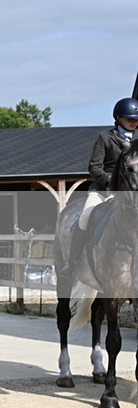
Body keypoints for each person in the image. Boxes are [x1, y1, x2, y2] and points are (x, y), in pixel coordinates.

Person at [57, 97, 138, 279]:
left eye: (136, 119)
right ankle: (72, 262)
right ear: (118, 118)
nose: (134, 122)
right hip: (104, 189)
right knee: (85, 217)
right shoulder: (105, 138)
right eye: (129, 119)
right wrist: (109, 179)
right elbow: (94, 166)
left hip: (131, 191)